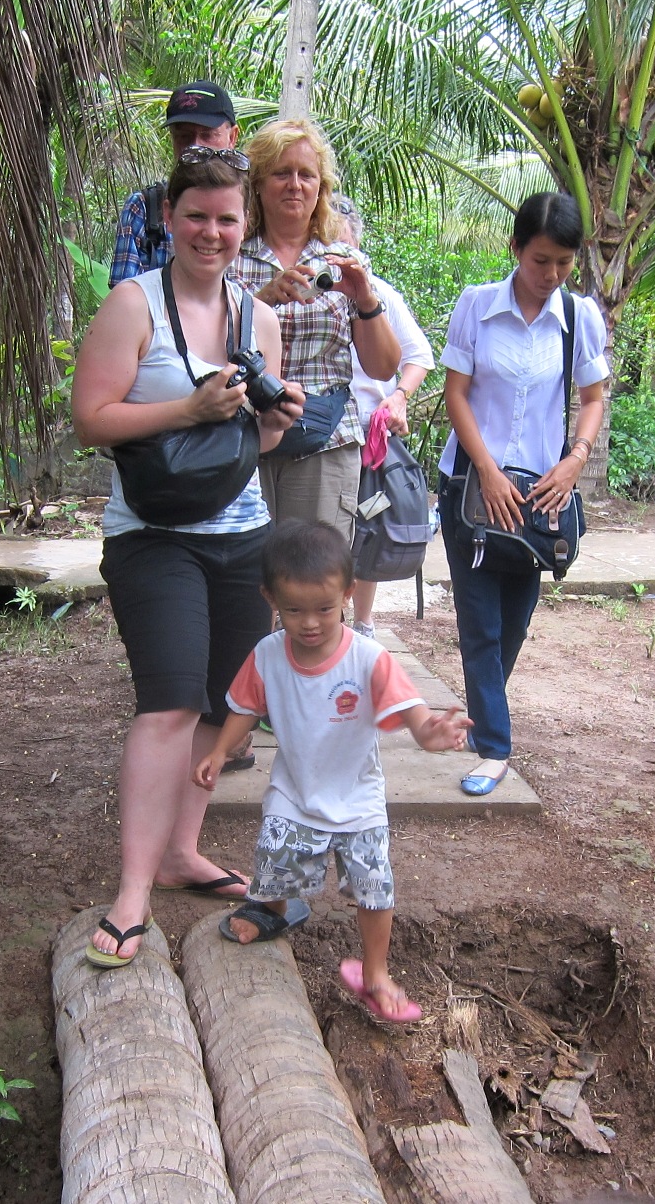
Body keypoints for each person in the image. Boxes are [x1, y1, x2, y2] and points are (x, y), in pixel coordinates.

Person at [72, 149, 304, 968]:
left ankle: (181, 852)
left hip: (241, 537)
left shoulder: (259, 319)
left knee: (217, 707)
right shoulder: (131, 305)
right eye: (196, 216)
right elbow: (91, 419)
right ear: (168, 219)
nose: (212, 232)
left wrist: (276, 421)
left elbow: (249, 446)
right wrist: (187, 407)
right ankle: (133, 892)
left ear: (246, 226)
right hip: (153, 535)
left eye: (226, 219)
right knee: (168, 705)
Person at [194, 520, 470, 1020]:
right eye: (293, 610)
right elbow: (244, 709)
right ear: (270, 598)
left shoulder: (368, 659)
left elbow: (415, 716)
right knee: (276, 865)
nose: (310, 623)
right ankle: (272, 911)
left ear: (347, 593)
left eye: (324, 608)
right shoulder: (267, 655)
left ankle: (376, 972)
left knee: (374, 886)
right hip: (295, 792)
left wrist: (432, 734)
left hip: (358, 799)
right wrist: (218, 752)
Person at [437, 192, 609, 796]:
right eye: (540, 260)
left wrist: (574, 462)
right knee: (480, 622)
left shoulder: (579, 318)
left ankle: (483, 711)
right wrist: (486, 469)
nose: (551, 274)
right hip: (472, 487)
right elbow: (456, 393)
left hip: (539, 496)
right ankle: (494, 747)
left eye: (564, 262)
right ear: (515, 249)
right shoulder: (477, 306)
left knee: (514, 622)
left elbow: (593, 399)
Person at [233, 120, 401, 542]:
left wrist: (365, 299)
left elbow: (383, 367)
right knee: (246, 572)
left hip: (326, 439)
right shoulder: (231, 256)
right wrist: (263, 300)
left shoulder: (341, 259)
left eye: (306, 175)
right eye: (281, 173)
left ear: (321, 188)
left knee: (313, 572)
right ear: (258, 184)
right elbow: (206, 345)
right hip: (242, 435)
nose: (295, 185)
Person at [331, 193, 434, 638]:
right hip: (320, 436)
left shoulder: (379, 294)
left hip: (369, 442)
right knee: (324, 534)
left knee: (367, 524)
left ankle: (363, 624)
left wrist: (399, 398)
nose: (336, 257)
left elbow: (419, 355)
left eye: (344, 246)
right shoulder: (300, 288)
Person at [109, 81, 240, 288]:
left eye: (207, 135)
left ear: (232, 137)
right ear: (168, 214)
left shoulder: (256, 207)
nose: (195, 146)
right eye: (184, 137)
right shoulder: (144, 208)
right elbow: (123, 299)